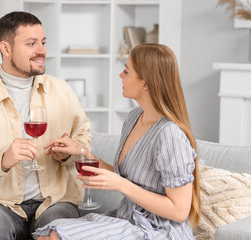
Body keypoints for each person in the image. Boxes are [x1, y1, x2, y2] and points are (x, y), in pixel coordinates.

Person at [0, 11, 91, 240]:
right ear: (6, 48)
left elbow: (83, 140)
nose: (41, 51)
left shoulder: (62, 92)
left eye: (42, 42)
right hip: (0, 205)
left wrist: (69, 154)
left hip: (55, 201)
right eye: (31, 43)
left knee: (58, 226)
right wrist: (1, 161)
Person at [34, 43, 201, 240]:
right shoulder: (134, 118)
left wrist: (122, 186)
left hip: (158, 230)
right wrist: (81, 152)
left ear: (145, 83)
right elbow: (126, 177)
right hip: (128, 218)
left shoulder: (170, 134)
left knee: (56, 237)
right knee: (50, 231)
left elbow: (179, 211)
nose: (121, 76)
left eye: (126, 71)